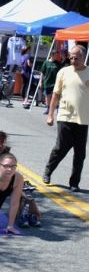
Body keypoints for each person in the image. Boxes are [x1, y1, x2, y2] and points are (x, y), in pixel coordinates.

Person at [43, 45, 89, 192]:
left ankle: (74, 182)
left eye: (77, 58)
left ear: (84, 57)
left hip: (83, 119)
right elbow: (55, 95)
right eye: (71, 57)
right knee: (60, 149)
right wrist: (50, 115)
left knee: (80, 154)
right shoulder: (63, 72)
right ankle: (48, 171)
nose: (73, 60)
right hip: (65, 117)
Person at [39, 50, 65, 115]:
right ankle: (48, 108)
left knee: (56, 96)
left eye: (57, 55)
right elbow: (42, 72)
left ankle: (58, 108)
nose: (56, 56)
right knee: (47, 96)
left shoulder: (58, 63)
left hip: (56, 82)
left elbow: (61, 71)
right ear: (51, 55)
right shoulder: (46, 62)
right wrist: (40, 81)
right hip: (47, 82)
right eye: (55, 55)